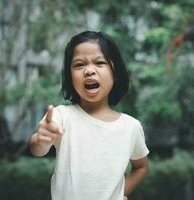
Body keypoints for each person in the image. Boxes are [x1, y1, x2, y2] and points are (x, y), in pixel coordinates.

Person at [29, 31, 149, 200]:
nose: (89, 71)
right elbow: (37, 148)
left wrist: (120, 193)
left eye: (100, 62)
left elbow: (141, 167)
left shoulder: (131, 127)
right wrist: (41, 140)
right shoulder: (61, 116)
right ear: (70, 77)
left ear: (115, 72)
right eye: (79, 65)